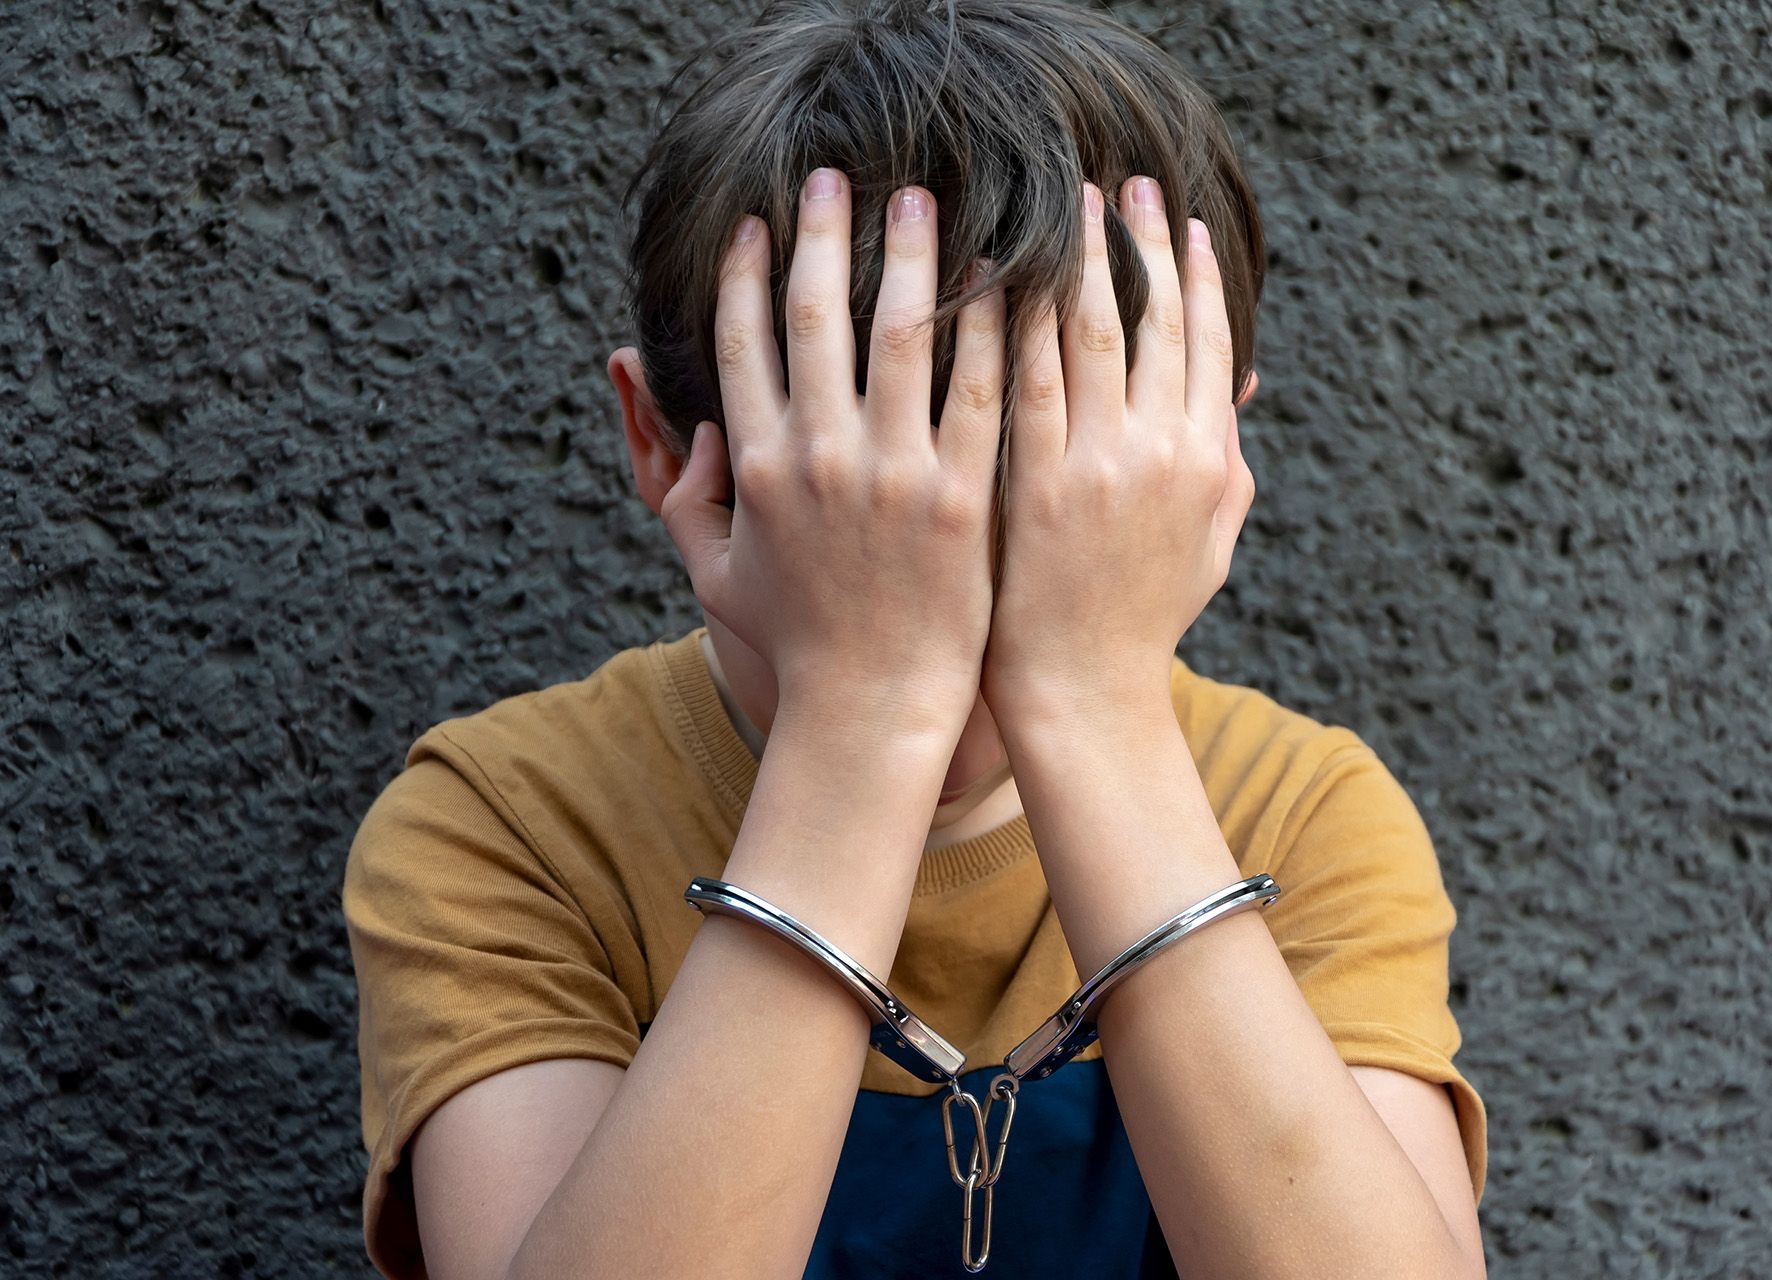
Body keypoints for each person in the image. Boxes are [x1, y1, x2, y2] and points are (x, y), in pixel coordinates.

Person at [343, 1, 1488, 1276]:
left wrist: (1094, 708)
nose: (960, 595)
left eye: (1048, 512)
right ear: (661, 445)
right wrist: (864, 713)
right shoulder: (511, 821)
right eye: (874, 510)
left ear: (1202, 468)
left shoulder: (1296, 816)